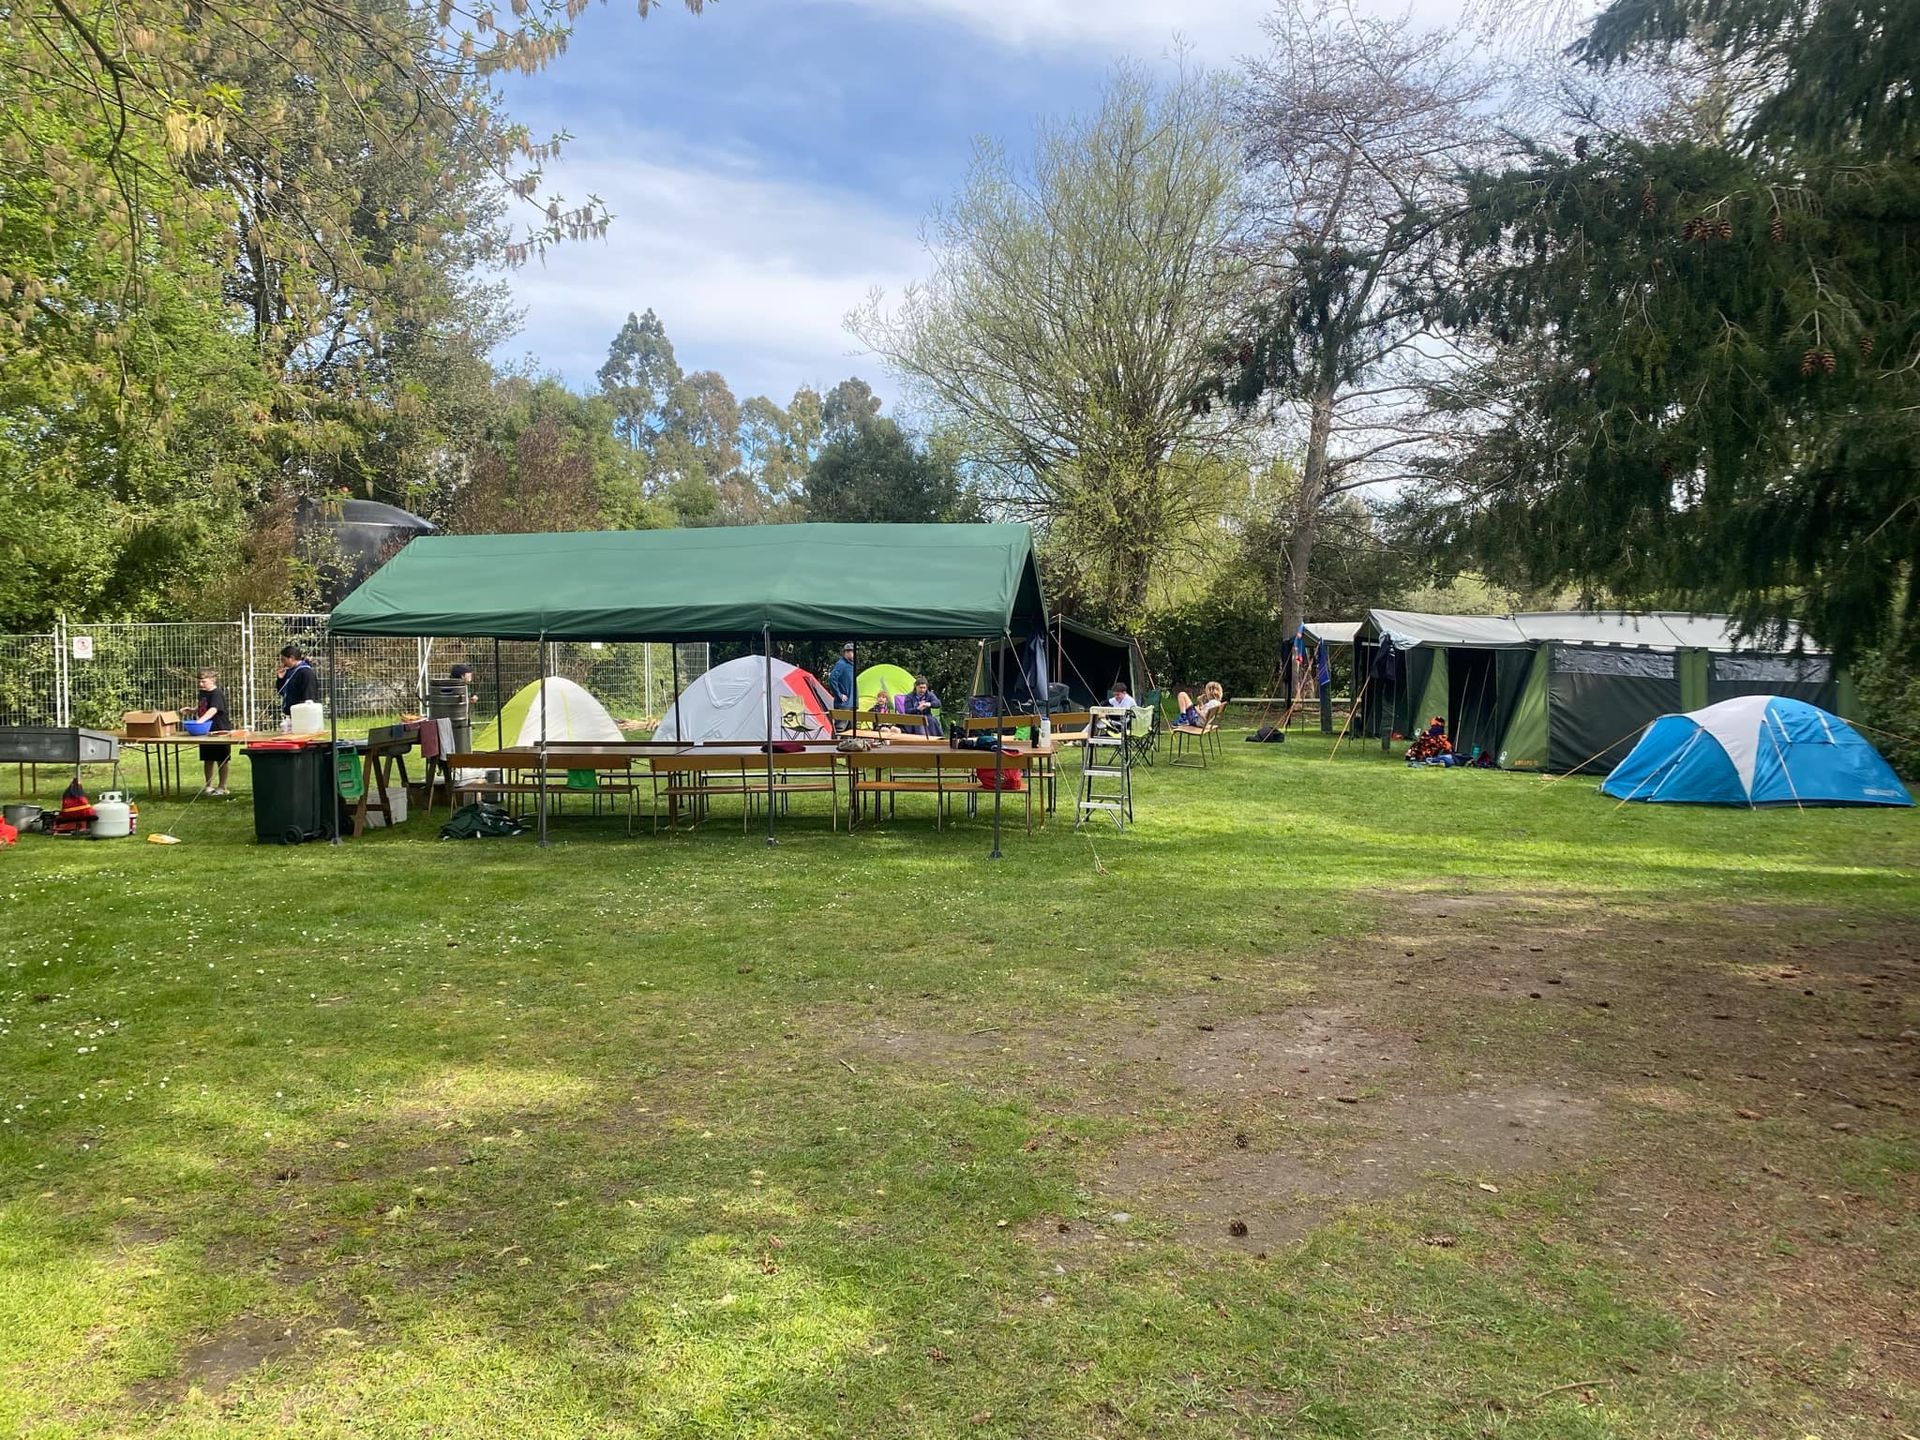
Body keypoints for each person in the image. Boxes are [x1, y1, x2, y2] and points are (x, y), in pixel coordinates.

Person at [191, 668, 234, 795]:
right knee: (207, 758)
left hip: (220, 729)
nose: (200, 684)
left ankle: (222, 787)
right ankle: (208, 786)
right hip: (206, 730)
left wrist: (200, 721)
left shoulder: (217, 693)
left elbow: (213, 710)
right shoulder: (202, 693)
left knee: (222, 759)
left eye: (203, 681)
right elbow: (203, 707)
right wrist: (192, 710)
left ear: (212, 680)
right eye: (199, 681)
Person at [277, 644, 319, 723]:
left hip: (302, 714)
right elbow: (282, 692)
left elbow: (309, 697)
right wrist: (280, 679)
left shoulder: (305, 672)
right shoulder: (289, 671)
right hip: (291, 713)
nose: (283, 663)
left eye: (284, 660)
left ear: (292, 658)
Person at [828, 642, 857, 720]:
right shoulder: (841, 664)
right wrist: (839, 695)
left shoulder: (851, 665)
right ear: (846, 652)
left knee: (850, 731)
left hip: (851, 704)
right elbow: (832, 679)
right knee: (840, 729)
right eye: (852, 652)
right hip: (843, 705)